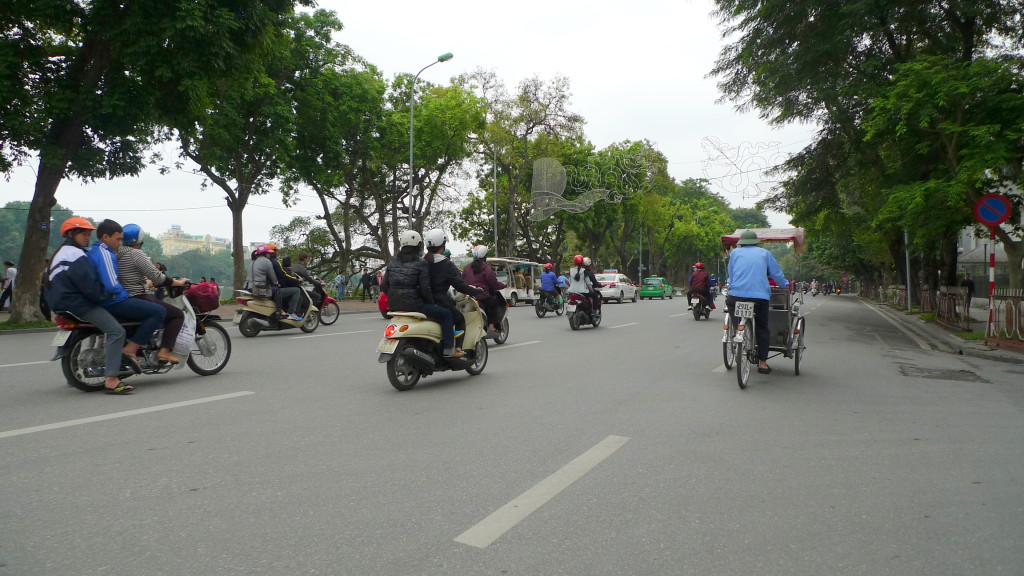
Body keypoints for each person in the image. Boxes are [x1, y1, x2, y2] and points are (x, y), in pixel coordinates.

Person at [46, 218, 134, 393]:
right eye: (83, 234)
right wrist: (109, 295)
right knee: (117, 331)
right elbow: (89, 284)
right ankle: (111, 379)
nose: (87, 237)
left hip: (60, 302)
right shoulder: (75, 254)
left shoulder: (60, 252)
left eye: (88, 234)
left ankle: (74, 376)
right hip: (76, 303)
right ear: (71, 234)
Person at [88, 220, 167, 388]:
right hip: (113, 300)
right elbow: (112, 285)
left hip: (97, 299)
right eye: (117, 239)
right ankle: (131, 349)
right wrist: (124, 294)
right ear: (105, 237)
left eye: (121, 239)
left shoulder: (93, 251)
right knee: (158, 311)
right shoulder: (106, 253)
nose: (119, 243)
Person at [116, 224, 190, 364]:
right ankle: (165, 351)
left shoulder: (117, 253)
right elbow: (158, 277)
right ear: (140, 240)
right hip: (138, 296)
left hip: (124, 296)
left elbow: (129, 276)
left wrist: (146, 283)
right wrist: (178, 283)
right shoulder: (136, 254)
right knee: (176, 315)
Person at [382, 230, 462, 358]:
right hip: (414, 305)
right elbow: (425, 288)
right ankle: (448, 348)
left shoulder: (392, 262)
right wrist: (431, 303)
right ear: (418, 245)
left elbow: (384, 286)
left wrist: (394, 294)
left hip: (394, 305)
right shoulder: (421, 263)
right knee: (446, 314)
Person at [726, 230, 789, 374]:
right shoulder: (764, 253)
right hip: (759, 297)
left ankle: (738, 332)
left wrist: (732, 284)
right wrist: (784, 284)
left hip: (737, 295)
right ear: (756, 242)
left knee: (732, 309)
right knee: (762, 328)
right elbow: (776, 273)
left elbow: (731, 273)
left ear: (741, 243)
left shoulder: (734, 253)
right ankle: (763, 363)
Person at [423, 229, 483, 353]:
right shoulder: (446, 264)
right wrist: (476, 291)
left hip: (422, 301)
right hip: (439, 301)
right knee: (459, 319)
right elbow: (460, 285)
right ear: (443, 245)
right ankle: (455, 348)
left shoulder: (422, 262)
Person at [462, 245, 506, 333]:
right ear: (485, 256)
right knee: (494, 304)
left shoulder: (467, 268)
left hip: (469, 297)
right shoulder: (487, 269)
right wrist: (503, 284)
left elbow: (462, 281)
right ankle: (492, 326)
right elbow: (494, 284)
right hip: (482, 296)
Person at [267, 247, 304, 321]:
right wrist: (297, 280)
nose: (278, 253)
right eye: (277, 251)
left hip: (264, 287)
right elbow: (283, 276)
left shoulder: (262, 262)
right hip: (272, 288)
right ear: (272, 252)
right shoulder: (274, 262)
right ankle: (291, 313)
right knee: (296, 291)